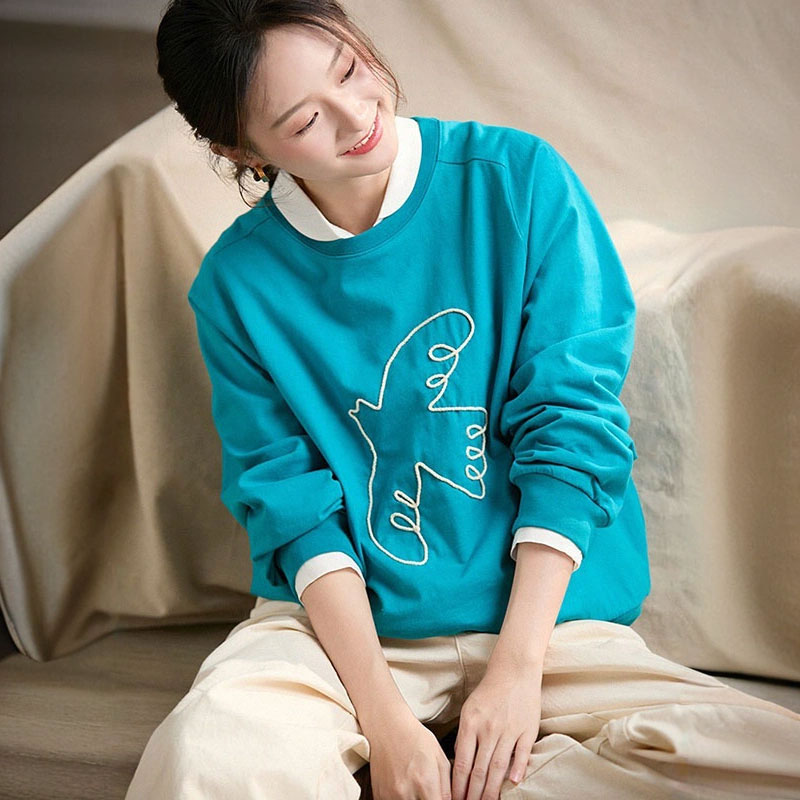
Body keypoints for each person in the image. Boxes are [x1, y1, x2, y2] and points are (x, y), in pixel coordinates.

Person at [126, 1, 800, 798]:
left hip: (547, 625)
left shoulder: (519, 180)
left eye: (350, 68)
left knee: (762, 759)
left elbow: (572, 426)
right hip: (342, 639)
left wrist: (516, 674)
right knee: (210, 754)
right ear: (240, 149)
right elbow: (291, 507)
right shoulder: (236, 286)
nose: (357, 116)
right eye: (305, 120)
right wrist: (384, 720)